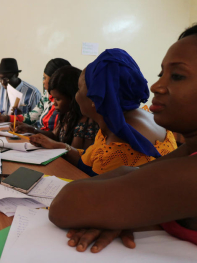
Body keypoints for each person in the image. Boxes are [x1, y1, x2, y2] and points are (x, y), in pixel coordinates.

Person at [48, 25, 197, 253]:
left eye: (177, 76)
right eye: (161, 74)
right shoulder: (188, 151)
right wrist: (126, 212)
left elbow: (64, 205)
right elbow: (142, 176)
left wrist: (121, 206)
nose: (156, 86)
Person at [44, 49, 177, 177]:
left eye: (79, 89)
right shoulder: (124, 121)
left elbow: (98, 185)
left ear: (95, 99)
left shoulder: (118, 144)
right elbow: (91, 159)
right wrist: (60, 147)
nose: (76, 96)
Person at [21, 66, 99, 150]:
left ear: (72, 97)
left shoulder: (86, 121)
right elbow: (54, 135)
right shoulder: (67, 114)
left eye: (58, 99)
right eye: (53, 98)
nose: (54, 103)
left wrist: (51, 144)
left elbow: (76, 155)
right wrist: (33, 130)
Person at [0, 58, 70, 131]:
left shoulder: (65, 103)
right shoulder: (46, 95)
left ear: (56, 80)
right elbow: (33, 116)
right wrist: (7, 118)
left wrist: (34, 131)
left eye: (45, 78)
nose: (43, 82)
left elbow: (54, 135)